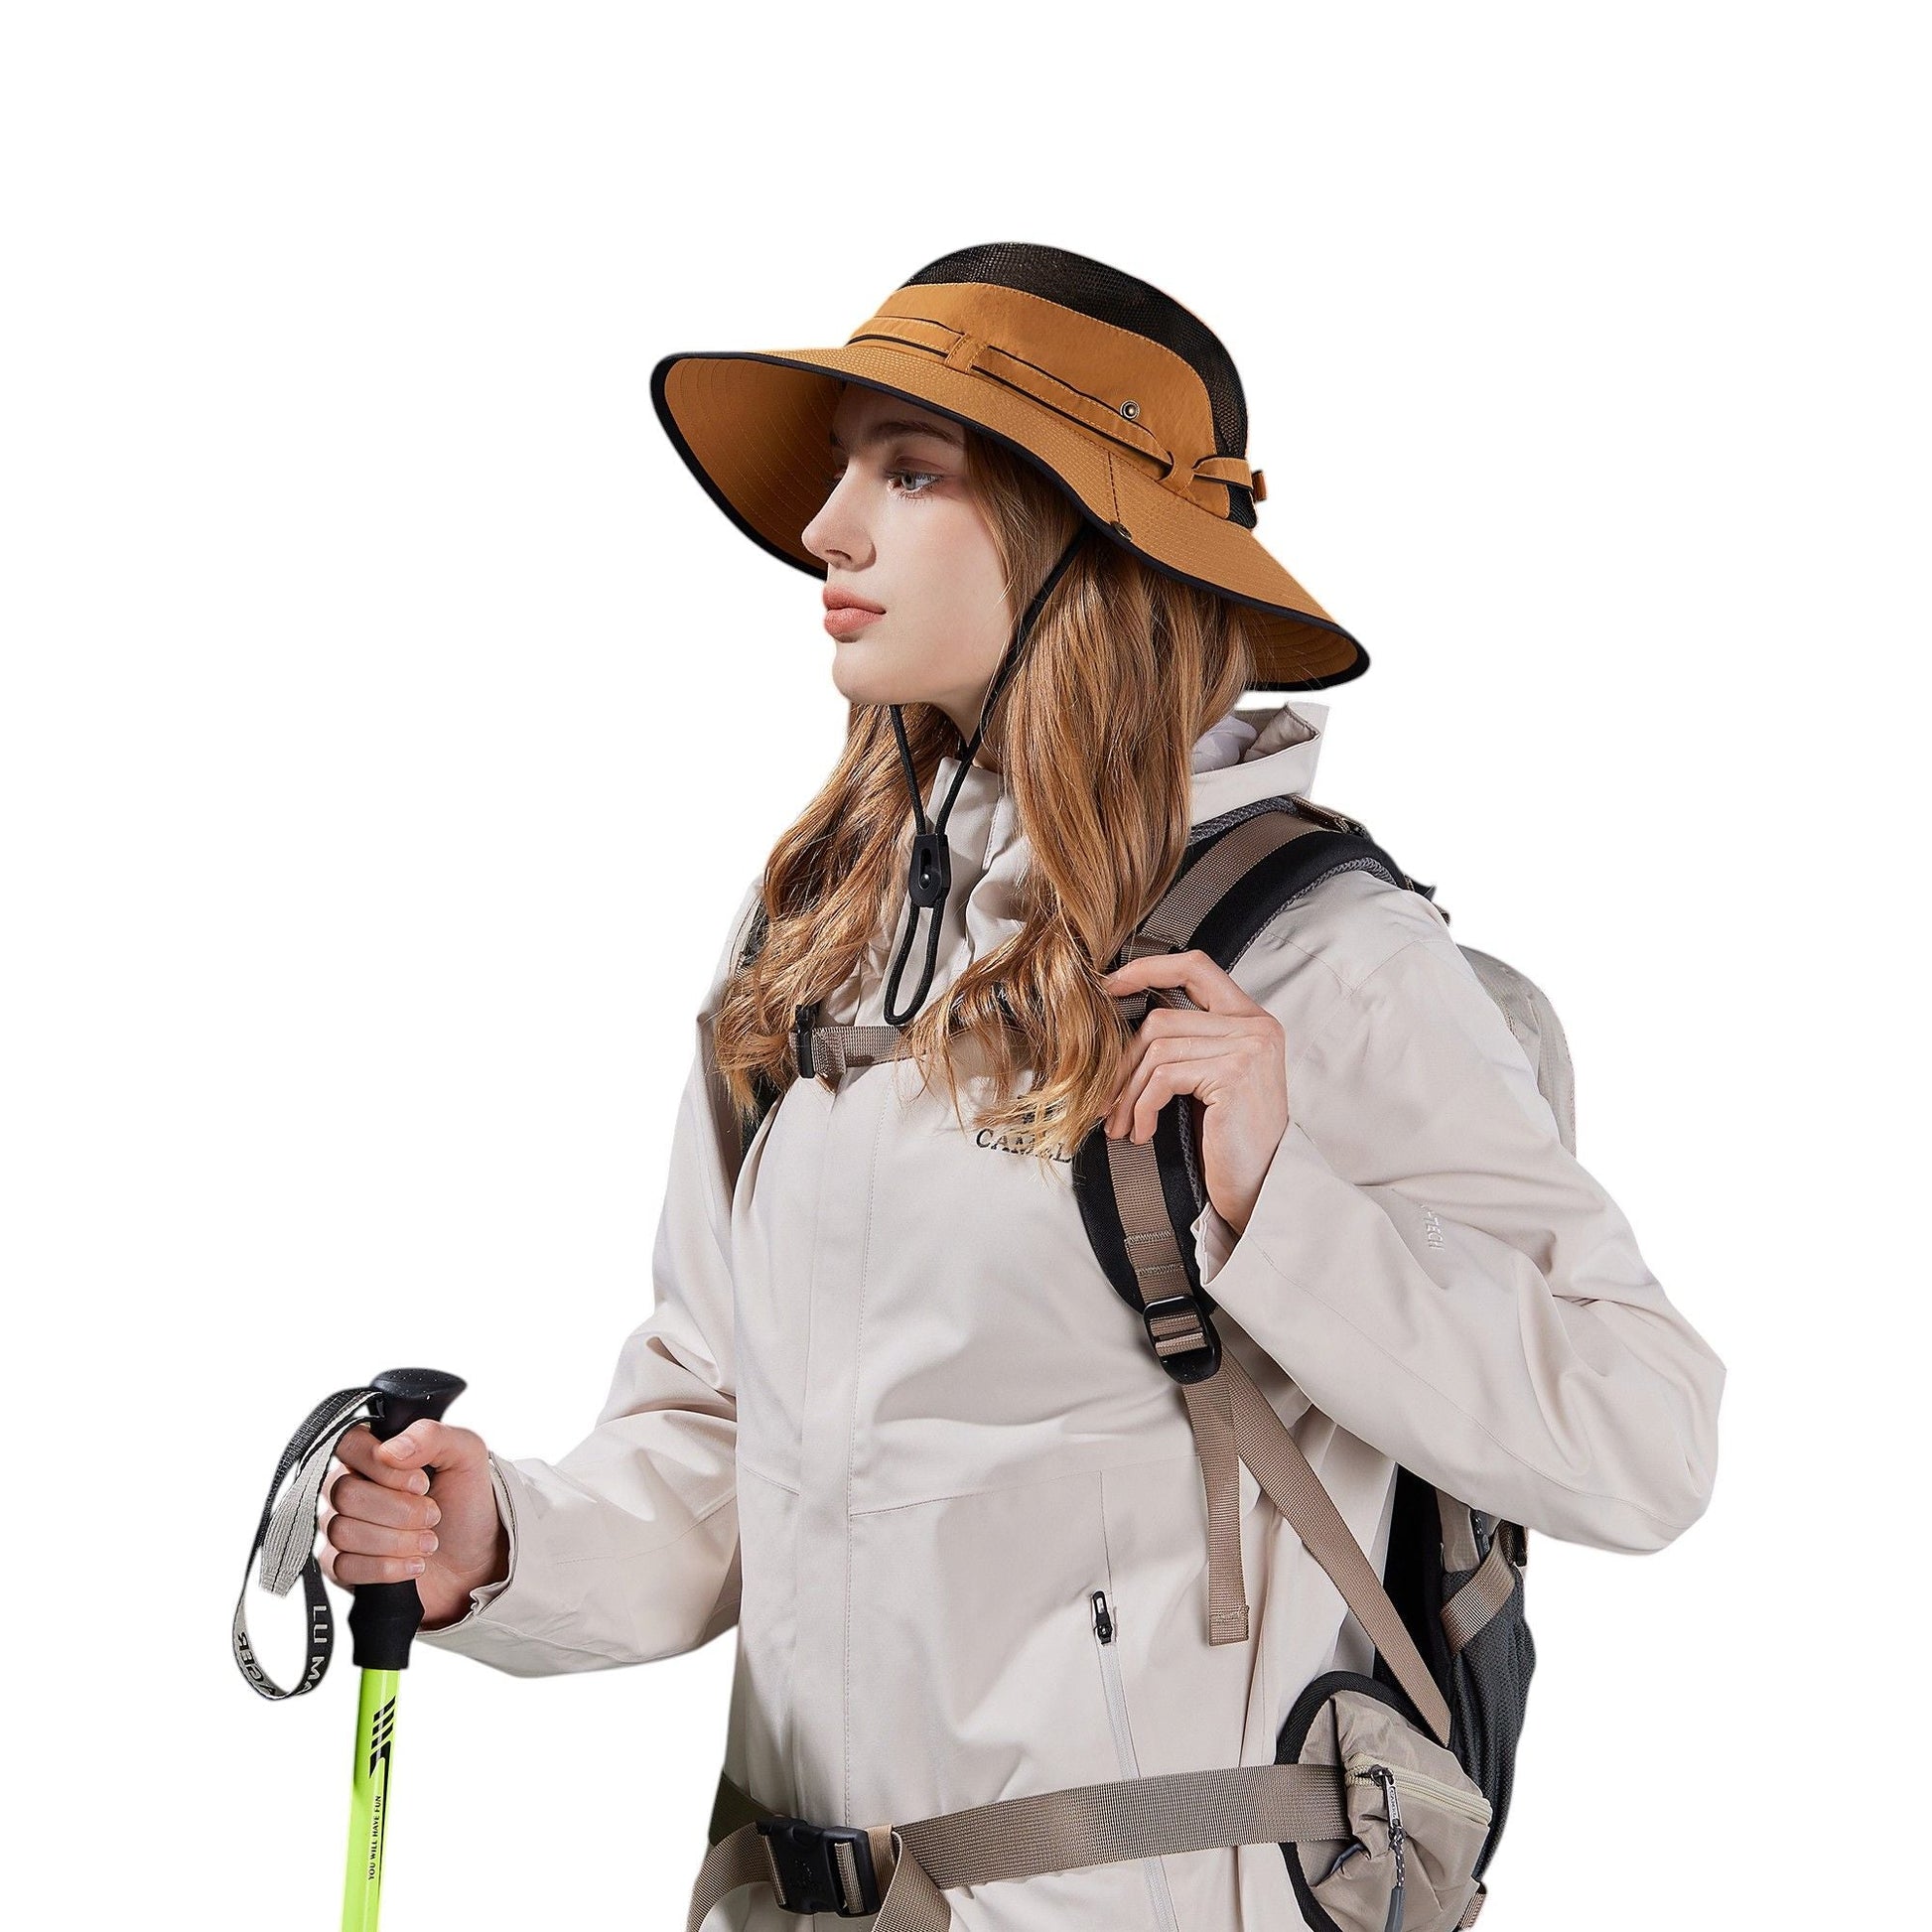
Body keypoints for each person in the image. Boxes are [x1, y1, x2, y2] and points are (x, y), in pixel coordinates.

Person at [319, 242, 1725, 1929]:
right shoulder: (812, 945)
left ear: (1086, 540)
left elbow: (1644, 1435)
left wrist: (1276, 1202)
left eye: (909, 472)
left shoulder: (1319, 960)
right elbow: (724, 1439)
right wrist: (503, 1543)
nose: (826, 528)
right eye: (846, 470)